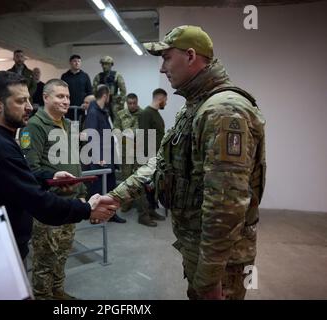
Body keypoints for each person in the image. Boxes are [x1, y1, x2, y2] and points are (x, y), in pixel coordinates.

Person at [107, 25, 266, 299]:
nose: (162, 68)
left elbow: (225, 204)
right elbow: (163, 161)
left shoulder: (222, 110)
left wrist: (209, 277)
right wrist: (118, 196)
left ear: (191, 56)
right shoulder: (196, 105)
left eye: (167, 57)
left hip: (220, 262)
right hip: (198, 248)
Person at [0, 71, 119, 263]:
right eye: (21, 101)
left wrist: (52, 176)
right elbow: (36, 200)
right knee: (45, 264)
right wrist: (87, 209)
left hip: (5, 237)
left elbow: (19, 177)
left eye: (28, 100)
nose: (29, 107)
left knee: (59, 258)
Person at [20, 79, 85, 300]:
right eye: (60, 96)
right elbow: (30, 169)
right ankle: (42, 296)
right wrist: (53, 180)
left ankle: (58, 291)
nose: (66, 101)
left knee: (63, 253)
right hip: (48, 206)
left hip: (69, 202)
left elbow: (74, 161)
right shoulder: (34, 127)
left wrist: (82, 191)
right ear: (45, 97)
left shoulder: (67, 124)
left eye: (67, 97)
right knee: (45, 259)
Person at [84, 85, 126, 224]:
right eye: (109, 95)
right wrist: (98, 157)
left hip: (108, 155)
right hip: (100, 158)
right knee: (97, 189)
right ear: (105, 95)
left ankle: (111, 214)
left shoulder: (103, 112)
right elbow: (91, 136)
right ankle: (95, 216)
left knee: (111, 187)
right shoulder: (93, 112)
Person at [92, 56, 126, 121]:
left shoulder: (117, 75)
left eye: (107, 64)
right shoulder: (98, 77)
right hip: (103, 103)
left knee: (117, 123)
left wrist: (120, 103)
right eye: (103, 64)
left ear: (111, 65)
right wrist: (98, 102)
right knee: (102, 122)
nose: (104, 66)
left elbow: (123, 91)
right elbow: (94, 91)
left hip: (115, 104)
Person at [61, 54, 92, 121]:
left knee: (79, 127)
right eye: (75, 61)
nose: (77, 63)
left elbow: (89, 92)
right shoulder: (64, 76)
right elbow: (61, 91)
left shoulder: (85, 76)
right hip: (68, 107)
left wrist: (87, 104)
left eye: (79, 61)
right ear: (70, 62)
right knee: (69, 126)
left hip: (81, 108)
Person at [139, 88, 167, 159]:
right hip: (150, 157)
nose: (166, 103)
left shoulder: (156, 113)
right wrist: (148, 158)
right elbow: (143, 136)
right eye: (165, 100)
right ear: (161, 98)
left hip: (157, 155)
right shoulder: (146, 113)